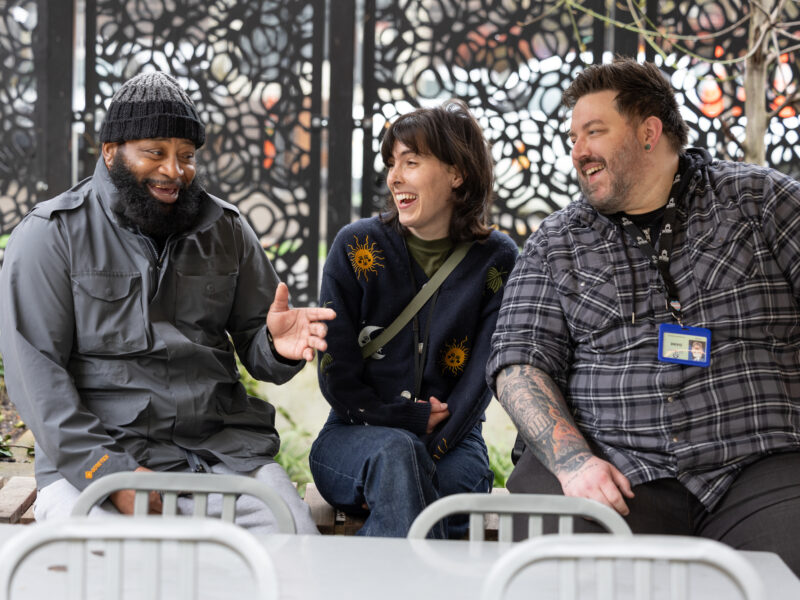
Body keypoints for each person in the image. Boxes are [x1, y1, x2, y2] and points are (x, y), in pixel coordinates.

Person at [487, 57, 800, 574]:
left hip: (759, 468)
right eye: (573, 137)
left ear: (650, 131)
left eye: (594, 131)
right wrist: (574, 463)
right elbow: (518, 363)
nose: (578, 151)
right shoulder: (556, 243)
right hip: (616, 471)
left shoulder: (760, 202)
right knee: (547, 535)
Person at [0, 71, 335, 533]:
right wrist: (111, 475)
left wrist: (275, 347)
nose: (174, 171)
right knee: (102, 567)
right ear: (111, 150)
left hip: (218, 459)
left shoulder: (227, 230)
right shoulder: (50, 234)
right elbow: (37, 380)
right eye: (155, 152)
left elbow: (261, 354)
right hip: (94, 466)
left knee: (294, 548)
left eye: (186, 156)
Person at [310, 100, 518, 537]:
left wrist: (421, 453)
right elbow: (336, 373)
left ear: (457, 173)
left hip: (456, 445)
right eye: (392, 163)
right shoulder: (355, 246)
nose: (395, 177)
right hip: (353, 438)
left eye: (412, 161)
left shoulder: (496, 261)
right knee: (398, 461)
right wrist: (404, 422)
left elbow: (481, 378)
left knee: (408, 480)